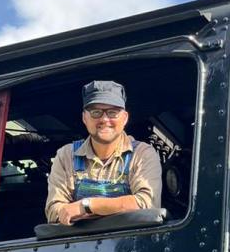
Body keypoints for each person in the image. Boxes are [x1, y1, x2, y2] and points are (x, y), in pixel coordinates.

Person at [45, 80, 162, 225]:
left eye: (112, 112)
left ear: (125, 118)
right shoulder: (66, 156)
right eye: (96, 112)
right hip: (81, 245)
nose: (105, 119)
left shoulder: (142, 154)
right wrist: (119, 207)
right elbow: (55, 211)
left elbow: (145, 204)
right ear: (84, 118)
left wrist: (87, 206)